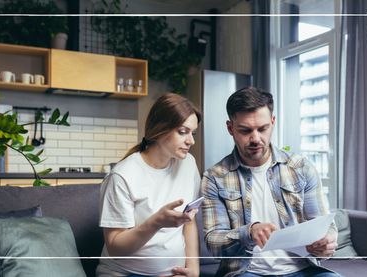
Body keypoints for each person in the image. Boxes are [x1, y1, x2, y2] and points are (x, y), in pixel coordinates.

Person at [201, 87, 340, 277]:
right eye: (245, 130)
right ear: (230, 128)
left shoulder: (301, 167)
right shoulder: (214, 178)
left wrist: (328, 240)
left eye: (262, 128)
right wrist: (248, 232)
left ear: (273, 122)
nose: (255, 138)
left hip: (304, 270)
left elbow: (323, 224)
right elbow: (213, 243)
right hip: (247, 272)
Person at [96, 93, 202, 277]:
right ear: (160, 129)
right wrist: (156, 222)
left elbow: (189, 222)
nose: (191, 141)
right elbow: (115, 246)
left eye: (193, 133)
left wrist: (193, 270)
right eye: (183, 132)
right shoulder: (122, 176)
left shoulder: (188, 164)